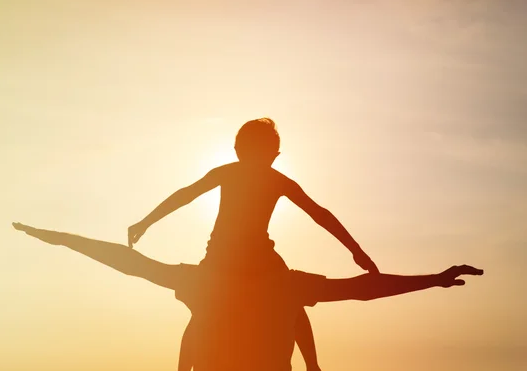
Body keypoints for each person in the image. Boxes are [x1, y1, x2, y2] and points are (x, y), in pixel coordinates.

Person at [13, 223, 483, 371]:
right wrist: (433, 279)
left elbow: (127, 261)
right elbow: (363, 290)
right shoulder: (281, 284)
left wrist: (434, 279)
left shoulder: (210, 280)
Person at [127, 118, 379, 371]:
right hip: (239, 258)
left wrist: (145, 223)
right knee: (292, 296)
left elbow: (186, 195)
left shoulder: (231, 173)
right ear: (274, 155)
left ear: (238, 150)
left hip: (229, 256)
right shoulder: (274, 179)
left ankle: (185, 369)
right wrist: (356, 252)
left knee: (205, 310)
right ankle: (312, 365)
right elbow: (320, 214)